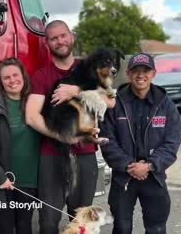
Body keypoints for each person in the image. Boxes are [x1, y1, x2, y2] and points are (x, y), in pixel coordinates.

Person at [25, 20, 115, 234]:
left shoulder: (92, 67)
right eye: (54, 38)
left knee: (83, 220)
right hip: (52, 155)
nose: (60, 41)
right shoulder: (42, 75)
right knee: (48, 221)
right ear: (47, 44)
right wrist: (62, 136)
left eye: (63, 35)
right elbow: (31, 116)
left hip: (85, 155)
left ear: (72, 36)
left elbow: (111, 101)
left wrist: (76, 91)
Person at [99, 53, 181, 234]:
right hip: (123, 177)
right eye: (135, 70)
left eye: (145, 70)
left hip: (154, 176)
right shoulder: (115, 103)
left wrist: (150, 165)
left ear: (153, 73)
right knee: (121, 227)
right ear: (128, 74)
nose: (140, 75)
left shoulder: (166, 106)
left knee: (156, 228)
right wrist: (129, 165)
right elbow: (107, 140)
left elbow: (172, 141)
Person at [0, 58, 41, 234]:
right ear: (1, 82)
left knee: (24, 226)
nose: (12, 81)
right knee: (5, 228)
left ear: (23, 76)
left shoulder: (35, 102)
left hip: (30, 179)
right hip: (4, 183)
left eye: (15, 75)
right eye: (6, 78)